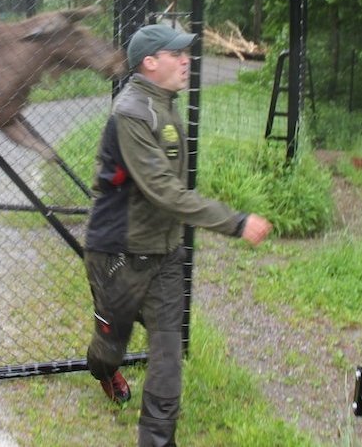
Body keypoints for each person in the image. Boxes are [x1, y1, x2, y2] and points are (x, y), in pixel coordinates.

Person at [83, 23, 273, 447]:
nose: (187, 61)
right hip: (118, 256)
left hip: (165, 255)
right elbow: (165, 192)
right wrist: (236, 221)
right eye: (177, 54)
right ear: (150, 63)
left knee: (167, 357)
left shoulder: (164, 105)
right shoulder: (132, 112)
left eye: (186, 53)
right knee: (109, 348)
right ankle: (102, 368)